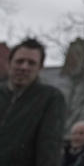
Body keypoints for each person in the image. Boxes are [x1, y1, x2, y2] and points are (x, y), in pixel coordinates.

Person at [0, 37, 67, 166]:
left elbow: (49, 146)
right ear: (10, 63)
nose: (24, 67)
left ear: (40, 67)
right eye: (19, 61)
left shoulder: (50, 98)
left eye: (31, 63)